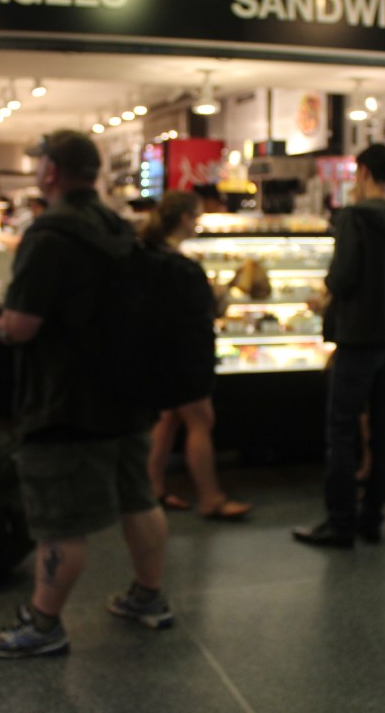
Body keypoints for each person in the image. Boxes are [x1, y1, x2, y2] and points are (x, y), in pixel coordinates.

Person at [0, 130, 171, 658]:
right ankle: (148, 596)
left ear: (50, 172)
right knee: (139, 497)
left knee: (59, 521)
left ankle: (44, 624)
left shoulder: (49, 235)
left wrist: (2, 327)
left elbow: (21, 324)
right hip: (125, 393)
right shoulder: (119, 227)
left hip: (63, 401)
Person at [293, 143, 385, 549]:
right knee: (383, 427)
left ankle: (341, 522)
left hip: (359, 335)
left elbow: (343, 276)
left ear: (363, 172)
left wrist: (325, 296)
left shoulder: (355, 217)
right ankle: (372, 519)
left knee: (343, 429)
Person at [139, 190, 252, 521]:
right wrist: (220, 294)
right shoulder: (180, 265)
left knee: (168, 419)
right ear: (185, 218)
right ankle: (211, 498)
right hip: (186, 353)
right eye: (197, 217)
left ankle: (151, 490)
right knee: (201, 420)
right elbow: (207, 308)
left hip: (159, 351)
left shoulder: (148, 253)